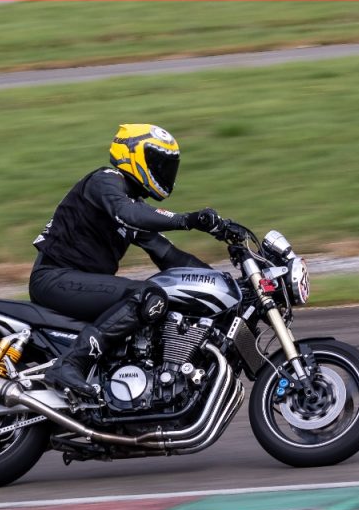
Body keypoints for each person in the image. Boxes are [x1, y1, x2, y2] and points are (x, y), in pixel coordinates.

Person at [29, 124, 240, 399]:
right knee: (147, 296)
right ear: (133, 155)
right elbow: (128, 213)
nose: (165, 170)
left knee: (162, 305)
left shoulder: (132, 206)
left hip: (77, 283)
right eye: (159, 162)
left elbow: (171, 257)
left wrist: (225, 285)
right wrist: (188, 220)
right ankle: (70, 365)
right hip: (54, 278)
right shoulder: (105, 181)